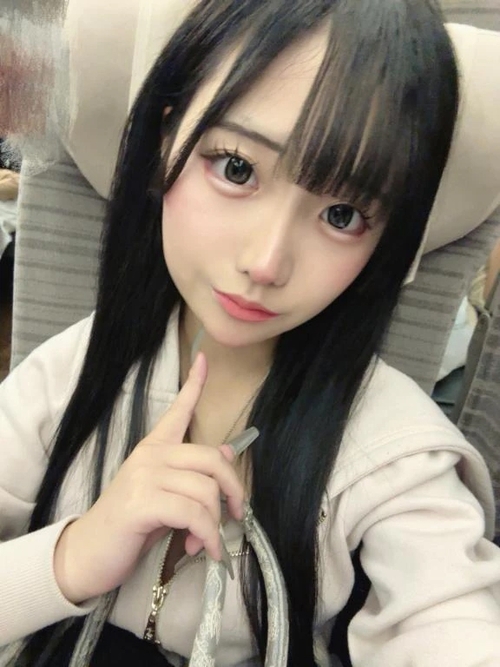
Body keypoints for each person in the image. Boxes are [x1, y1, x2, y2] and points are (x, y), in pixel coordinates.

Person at [1, 1, 500, 665]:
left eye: (343, 213)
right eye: (237, 167)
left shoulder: (394, 456)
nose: (267, 263)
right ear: (167, 138)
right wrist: (72, 555)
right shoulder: (68, 374)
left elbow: (448, 619)